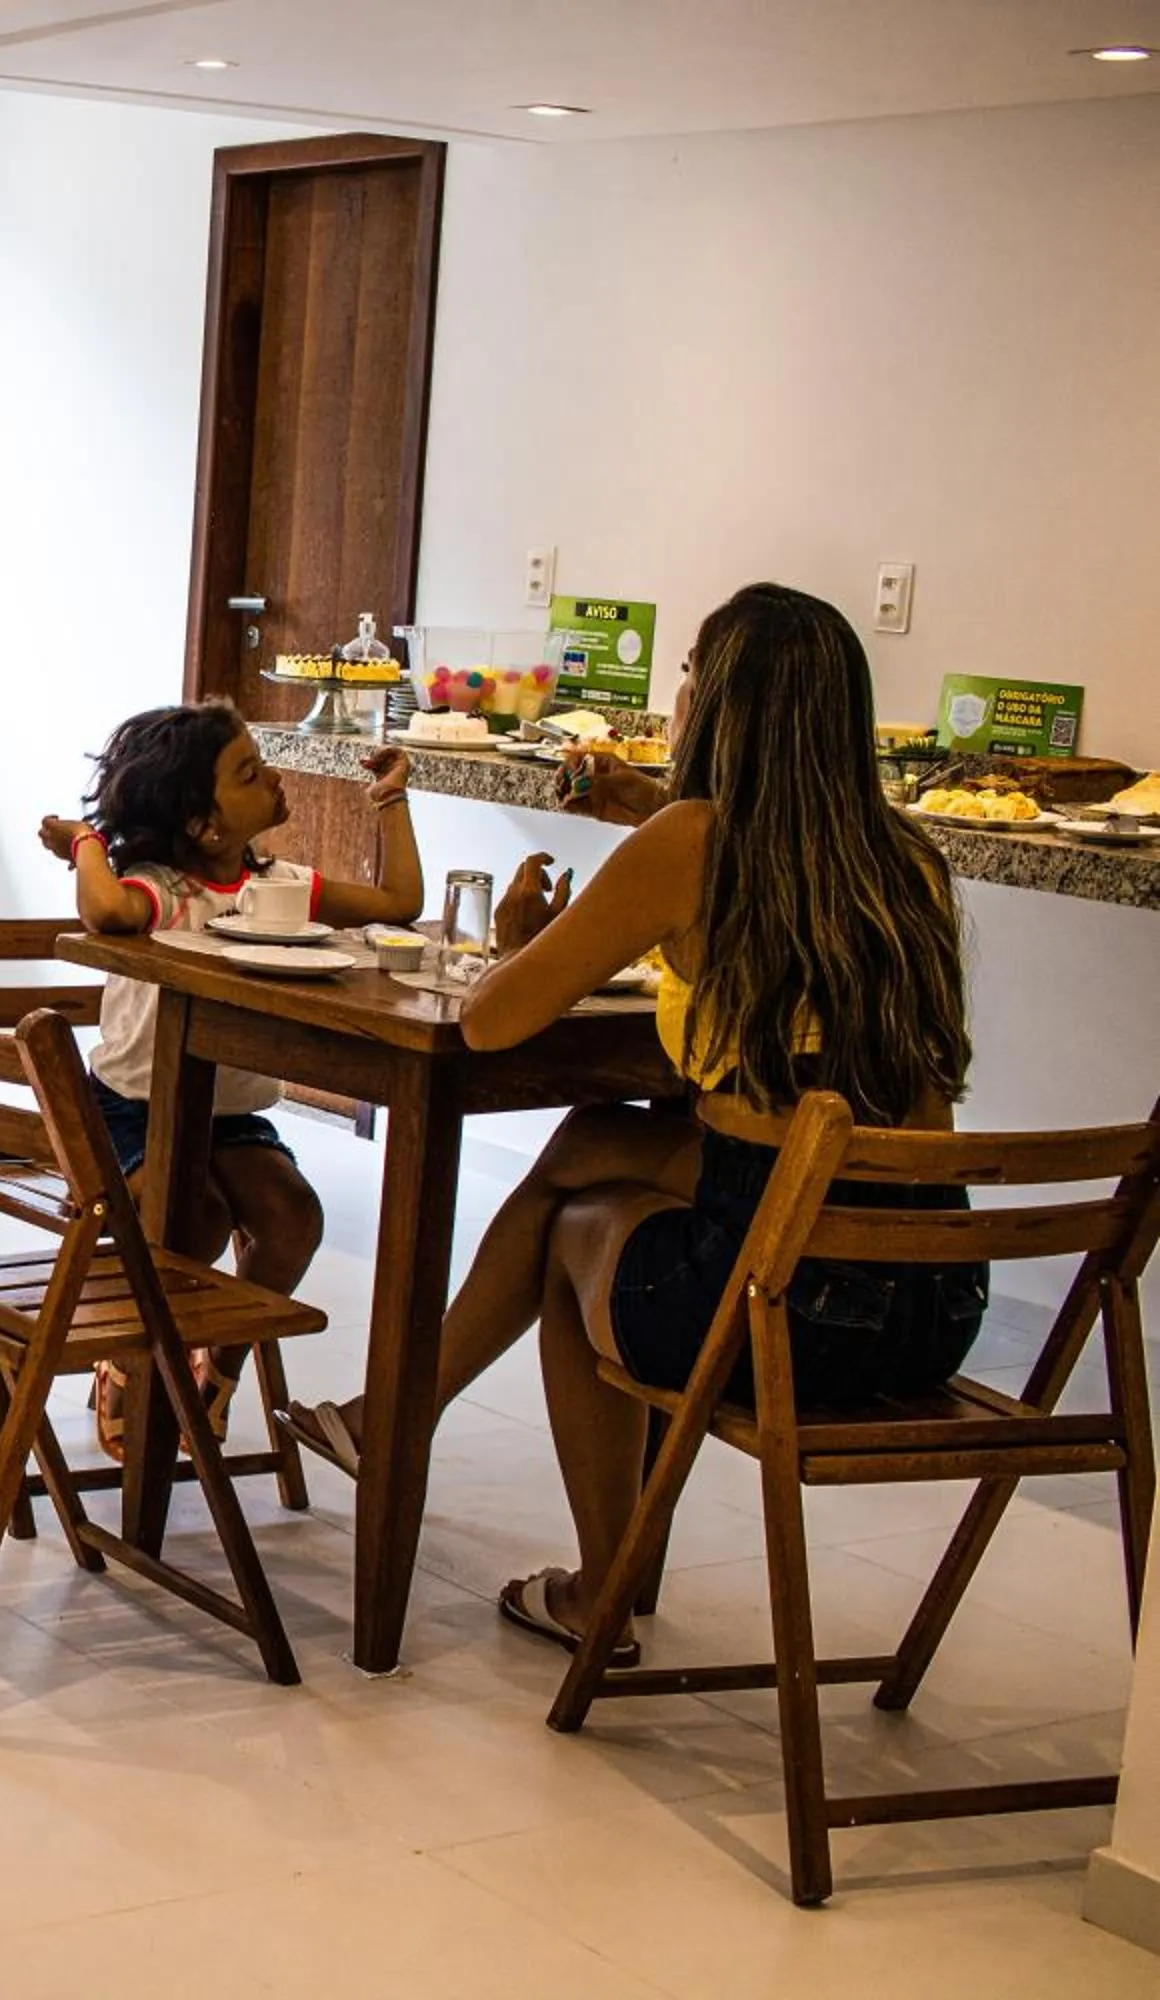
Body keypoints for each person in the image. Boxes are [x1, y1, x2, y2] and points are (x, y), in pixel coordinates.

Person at [319, 584, 982, 1666]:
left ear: (719, 703)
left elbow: (491, 1022)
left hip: (796, 1312)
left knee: (574, 1233)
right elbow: (779, 888)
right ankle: (396, 1416)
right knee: (590, 1141)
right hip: (935, 1301)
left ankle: (594, 1583)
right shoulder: (906, 859)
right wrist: (647, 811)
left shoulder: (692, 842)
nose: (675, 692)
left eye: (687, 673)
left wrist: (524, 941)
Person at [39, 702, 425, 1445]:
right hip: (135, 1108)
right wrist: (89, 843)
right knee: (199, 1216)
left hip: (228, 1112)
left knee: (293, 1218)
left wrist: (391, 800)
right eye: (249, 773)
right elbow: (108, 912)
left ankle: (218, 1370)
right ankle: (129, 1360)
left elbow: (400, 903)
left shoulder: (281, 887)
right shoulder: (165, 890)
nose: (273, 778)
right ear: (204, 826)